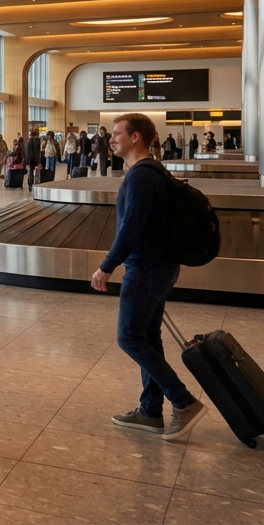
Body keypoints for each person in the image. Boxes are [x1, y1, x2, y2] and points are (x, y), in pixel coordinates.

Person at [91, 113, 205, 441]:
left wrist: (107, 266)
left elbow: (131, 230)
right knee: (148, 338)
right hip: (161, 266)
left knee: (130, 338)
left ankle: (183, 401)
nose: (112, 139)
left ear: (136, 137)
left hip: (147, 269)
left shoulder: (141, 177)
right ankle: (150, 410)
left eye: (117, 133)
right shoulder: (154, 171)